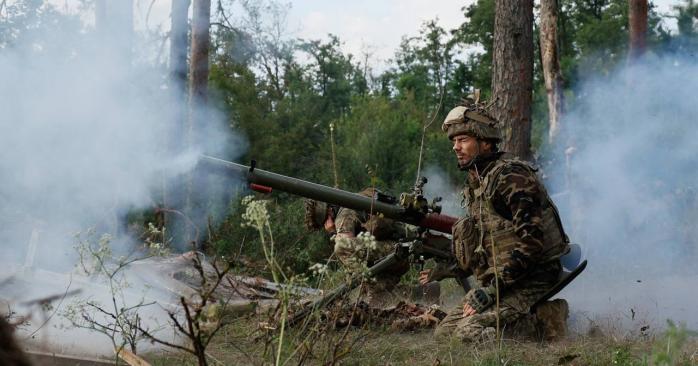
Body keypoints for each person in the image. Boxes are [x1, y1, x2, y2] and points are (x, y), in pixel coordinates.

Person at [434, 98, 570, 342]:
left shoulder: (511, 176)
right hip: (504, 280)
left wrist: (492, 290)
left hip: (533, 276)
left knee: (465, 337)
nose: (456, 147)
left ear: (485, 142)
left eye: (463, 139)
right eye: (454, 141)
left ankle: (546, 317)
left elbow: (531, 242)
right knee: (443, 335)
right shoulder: (478, 181)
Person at [304, 188, 415, 307]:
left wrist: (332, 233)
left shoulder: (343, 217)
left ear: (329, 213)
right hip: (399, 252)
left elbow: (345, 248)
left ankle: (367, 288)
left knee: (341, 247)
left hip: (396, 253)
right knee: (383, 294)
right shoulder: (355, 199)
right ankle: (423, 294)